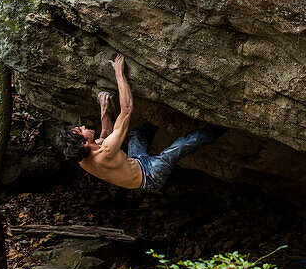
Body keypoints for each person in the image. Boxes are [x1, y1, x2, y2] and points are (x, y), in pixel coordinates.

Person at [55, 54, 224, 192]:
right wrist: (119, 74)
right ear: (84, 143)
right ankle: (219, 127)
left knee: (138, 134)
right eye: (80, 130)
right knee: (178, 148)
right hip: (149, 175)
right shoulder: (105, 153)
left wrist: (104, 108)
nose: (83, 127)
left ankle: (171, 115)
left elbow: (105, 134)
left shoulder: (81, 157)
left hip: (136, 161)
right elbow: (127, 109)